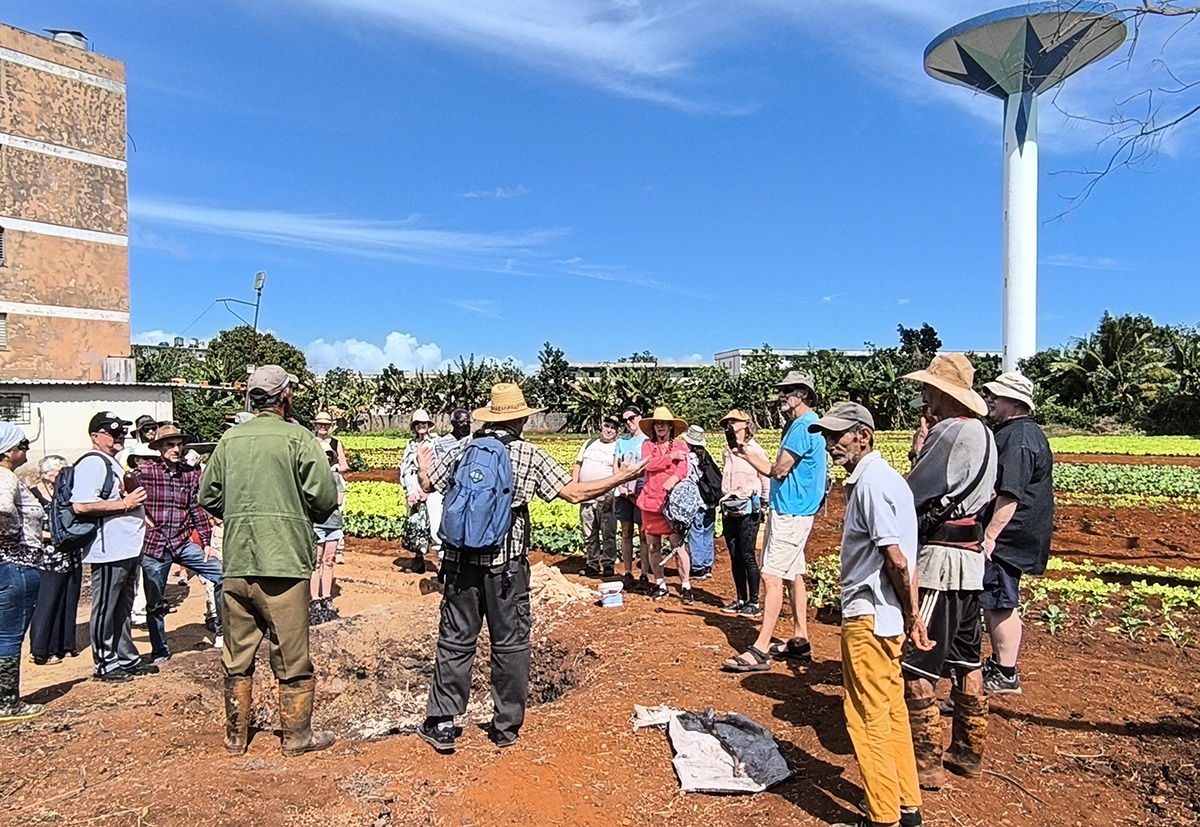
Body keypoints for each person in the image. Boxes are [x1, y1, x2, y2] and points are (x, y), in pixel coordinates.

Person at [414, 383, 646, 753]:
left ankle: (442, 721)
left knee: (456, 639)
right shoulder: (528, 454)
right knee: (510, 643)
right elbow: (574, 493)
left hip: (460, 565)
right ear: (520, 418)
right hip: (506, 567)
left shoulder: (462, 449)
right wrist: (623, 476)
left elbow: (429, 486)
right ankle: (506, 726)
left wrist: (425, 469)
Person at [199, 365, 338, 757]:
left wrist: (242, 513)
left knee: (236, 655)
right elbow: (324, 499)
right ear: (287, 395)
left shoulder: (229, 440)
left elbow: (208, 496)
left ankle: (236, 737)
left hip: (238, 560)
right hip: (284, 564)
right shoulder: (300, 439)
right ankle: (296, 737)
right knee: (292, 656)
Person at [810, 402, 930, 827]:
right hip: (888, 618)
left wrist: (914, 614)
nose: (830, 445)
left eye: (837, 436)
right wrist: (909, 615)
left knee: (866, 718)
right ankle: (906, 805)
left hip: (869, 617)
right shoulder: (885, 479)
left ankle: (883, 817)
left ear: (864, 435)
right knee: (892, 711)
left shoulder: (872, 484)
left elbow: (895, 558)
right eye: (826, 436)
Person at [900, 354, 997, 789]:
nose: (926, 397)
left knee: (919, 663)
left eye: (930, 390)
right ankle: (967, 752)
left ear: (944, 393)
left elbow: (914, 490)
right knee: (967, 659)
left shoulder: (951, 431)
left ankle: (926, 764)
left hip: (940, 560)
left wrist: (917, 450)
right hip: (971, 562)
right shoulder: (988, 435)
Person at [724, 372, 826, 672]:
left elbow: (778, 470)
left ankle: (760, 648)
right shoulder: (812, 424)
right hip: (799, 509)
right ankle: (800, 639)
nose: (782, 396)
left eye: (788, 391)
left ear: (803, 395)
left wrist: (748, 457)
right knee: (794, 574)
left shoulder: (800, 426)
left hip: (791, 511)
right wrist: (744, 454)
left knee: (771, 575)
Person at [980, 372, 1053, 696]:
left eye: (997, 396)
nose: (991, 400)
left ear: (1015, 402)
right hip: (1016, 533)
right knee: (999, 599)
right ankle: (1000, 664)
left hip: (1009, 537)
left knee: (999, 601)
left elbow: (1010, 494)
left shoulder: (1018, 438)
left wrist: (990, 536)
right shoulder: (1020, 432)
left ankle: (1005, 672)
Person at [71, 412, 155, 683]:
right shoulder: (93, 463)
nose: (118, 436)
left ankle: (126, 657)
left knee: (123, 607)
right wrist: (125, 504)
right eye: (111, 431)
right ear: (96, 436)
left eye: (121, 432)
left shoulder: (112, 463)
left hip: (127, 548)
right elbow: (82, 504)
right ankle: (105, 663)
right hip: (109, 550)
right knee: (106, 607)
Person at [136, 424, 224, 661]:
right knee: (154, 602)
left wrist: (206, 543)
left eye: (178, 444)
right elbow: (127, 495)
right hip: (154, 545)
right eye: (169, 445)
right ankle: (160, 650)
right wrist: (141, 518)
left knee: (222, 575)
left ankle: (222, 631)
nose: (175, 449)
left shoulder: (189, 474)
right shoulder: (146, 472)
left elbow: (197, 509)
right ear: (159, 448)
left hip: (182, 541)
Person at [0, 423, 50, 721]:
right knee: (9, 634)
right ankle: (7, 701)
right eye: (22, 446)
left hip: (11, 563)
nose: (26, 451)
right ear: (6, 451)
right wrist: (12, 537)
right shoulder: (5, 478)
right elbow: (3, 511)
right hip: (15, 564)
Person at [27, 455, 81, 666]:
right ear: (46, 474)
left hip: (70, 553)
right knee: (47, 602)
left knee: (69, 598)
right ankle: (41, 650)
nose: (63, 475)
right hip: (48, 557)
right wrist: (54, 536)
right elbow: (30, 528)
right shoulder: (33, 495)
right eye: (59, 472)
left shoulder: (66, 493)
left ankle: (65, 645)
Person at [635, 407, 693, 603]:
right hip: (650, 503)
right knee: (653, 546)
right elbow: (647, 465)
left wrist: (675, 477)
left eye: (663, 423)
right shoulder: (647, 445)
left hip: (672, 504)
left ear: (670, 426)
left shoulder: (681, 446)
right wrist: (670, 458)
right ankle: (660, 583)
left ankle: (686, 586)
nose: (660, 426)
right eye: (657, 423)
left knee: (677, 545)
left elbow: (684, 468)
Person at [717, 410, 770, 617]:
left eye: (734, 421)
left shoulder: (755, 451)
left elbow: (765, 478)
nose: (730, 425)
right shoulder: (727, 452)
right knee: (734, 555)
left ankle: (754, 601)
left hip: (748, 507)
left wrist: (764, 503)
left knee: (748, 554)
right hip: (729, 507)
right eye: (728, 422)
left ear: (745, 424)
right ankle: (740, 598)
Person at [573, 415, 619, 578]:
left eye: (613, 428)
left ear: (617, 432)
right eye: (607, 426)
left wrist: (611, 495)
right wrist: (574, 486)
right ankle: (592, 563)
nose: (609, 430)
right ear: (602, 427)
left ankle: (608, 564)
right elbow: (578, 465)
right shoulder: (589, 443)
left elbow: (618, 474)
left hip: (604, 497)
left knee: (608, 533)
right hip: (586, 497)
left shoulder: (617, 447)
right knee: (589, 533)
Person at [400, 409, 443, 573]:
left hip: (432, 488)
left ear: (429, 425)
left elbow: (439, 466)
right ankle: (419, 560)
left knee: (435, 525)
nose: (421, 426)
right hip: (414, 488)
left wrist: (429, 488)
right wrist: (410, 491)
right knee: (416, 524)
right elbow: (405, 469)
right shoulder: (411, 445)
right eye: (417, 423)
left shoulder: (436, 443)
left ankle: (441, 563)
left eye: (423, 423)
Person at [613, 406, 648, 592]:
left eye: (631, 418)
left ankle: (644, 574)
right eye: (625, 420)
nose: (628, 422)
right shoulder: (622, 442)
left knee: (643, 533)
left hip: (641, 492)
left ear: (640, 418)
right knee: (626, 531)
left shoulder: (648, 442)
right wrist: (619, 484)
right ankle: (627, 571)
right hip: (624, 493)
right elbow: (615, 466)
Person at [309, 447, 346, 622]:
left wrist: (320, 501)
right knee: (316, 563)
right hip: (316, 524)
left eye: (327, 455)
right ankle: (314, 599)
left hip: (332, 524)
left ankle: (326, 596)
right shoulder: (310, 478)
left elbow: (338, 500)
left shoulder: (336, 478)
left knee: (329, 561)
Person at [681, 425, 720, 581]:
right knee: (708, 532)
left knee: (696, 532)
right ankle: (707, 564)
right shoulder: (708, 457)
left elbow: (688, 479)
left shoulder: (690, 459)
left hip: (698, 502)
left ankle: (698, 567)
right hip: (711, 500)